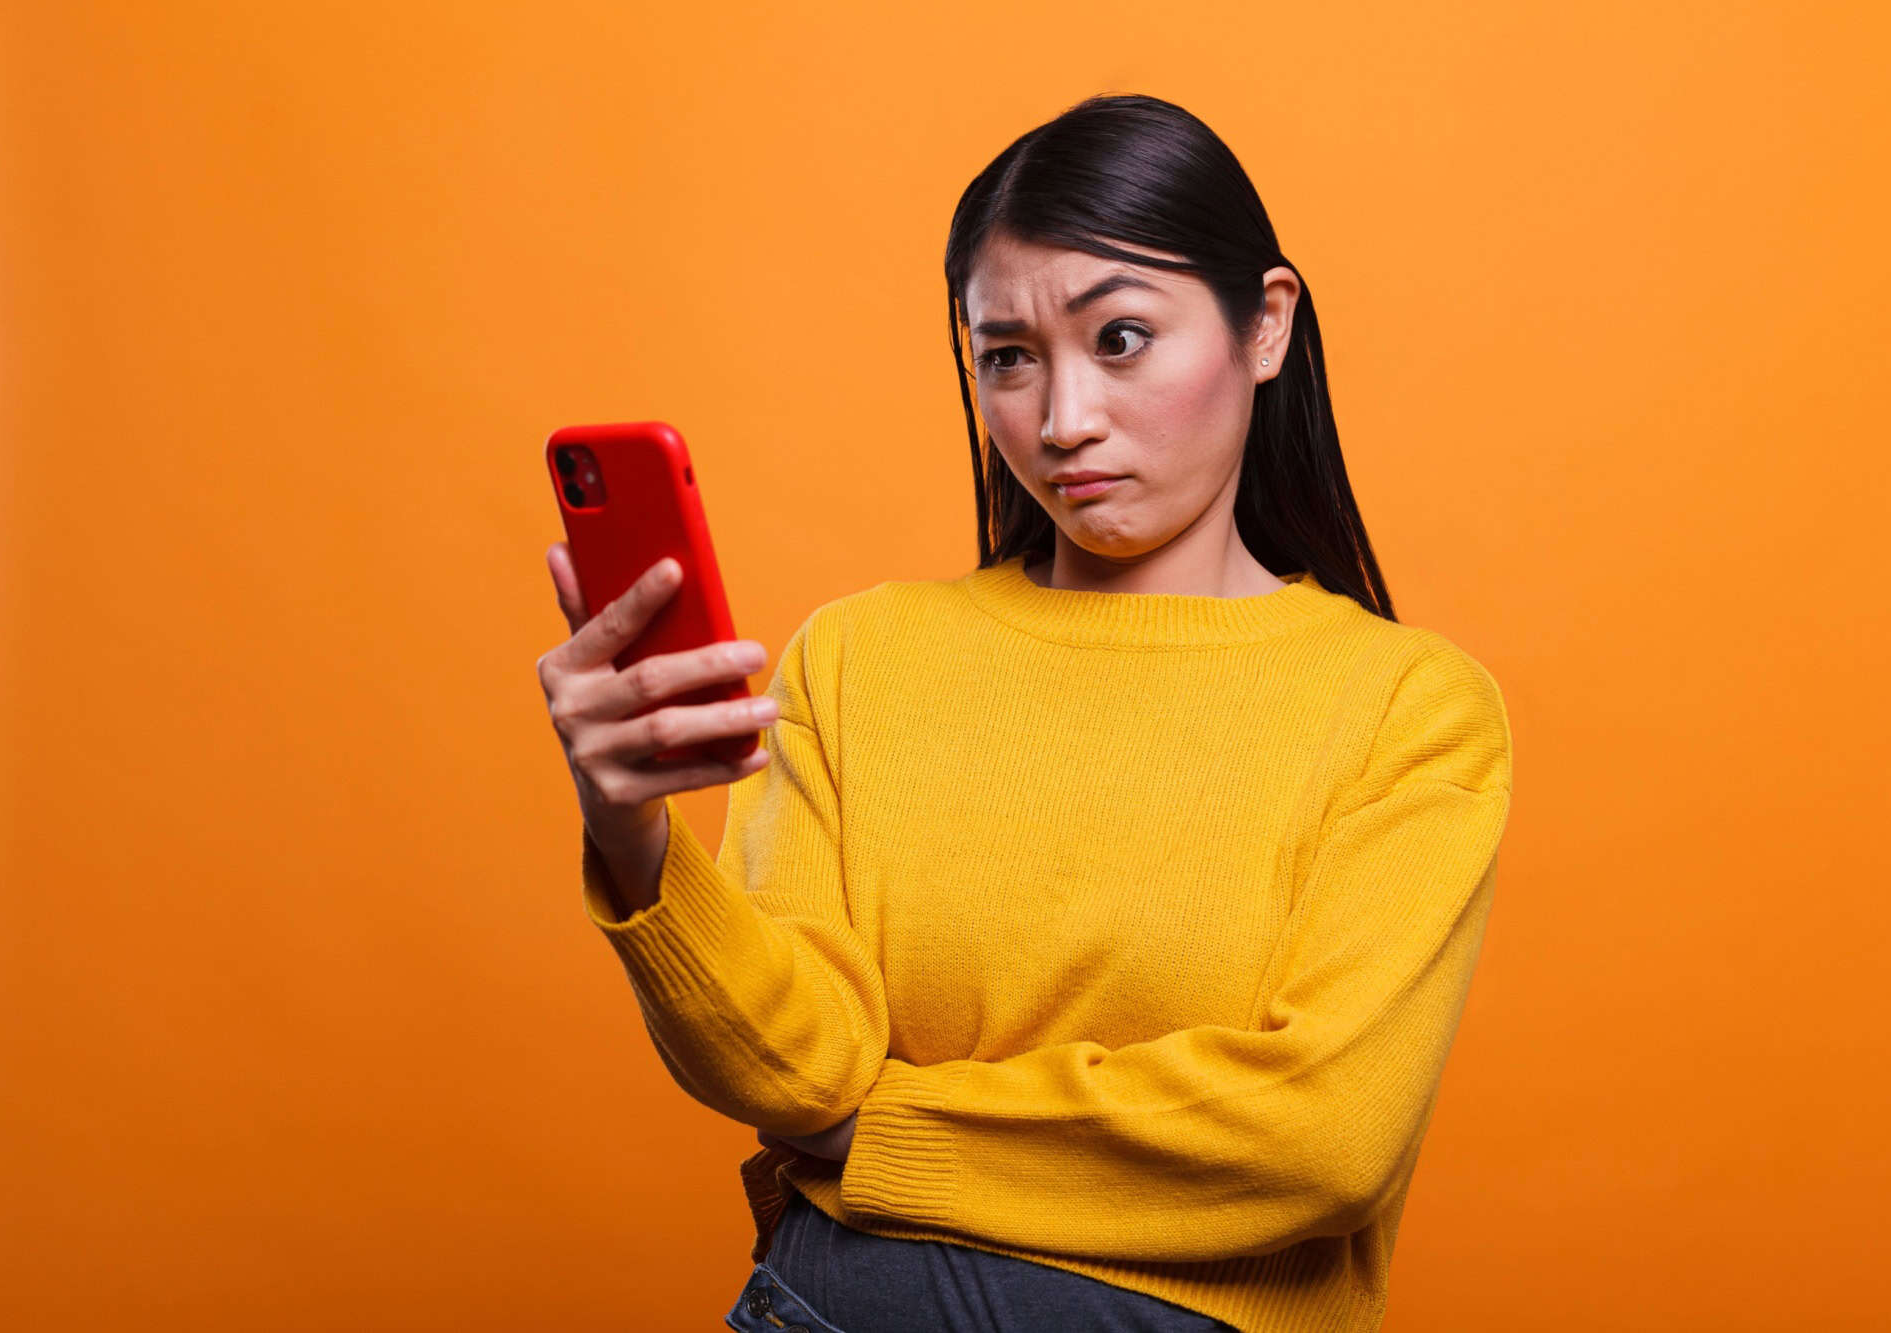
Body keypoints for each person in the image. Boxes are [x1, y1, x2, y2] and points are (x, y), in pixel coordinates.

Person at [537, 91, 1513, 1333]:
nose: (1059, 423)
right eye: (1007, 358)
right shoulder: (855, 656)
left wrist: (873, 1136)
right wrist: (634, 842)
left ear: (1263, 324)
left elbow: (1320, 1138)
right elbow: (792, 1066)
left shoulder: (1407, 708)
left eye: (1118, 340)